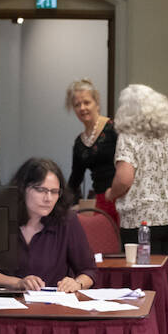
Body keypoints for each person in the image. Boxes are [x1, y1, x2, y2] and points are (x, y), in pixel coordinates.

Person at [106, 82, 168, 334]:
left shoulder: (129, 140)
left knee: (144, 284)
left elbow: (124, 178)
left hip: (141, 224)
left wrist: (111, 193)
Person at [0, 158, 97, 294]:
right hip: (3, 301)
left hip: (52, 303)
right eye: (41, 190)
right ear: (22, 188)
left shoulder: (67, 221)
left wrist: (77, 283)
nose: (48, 198)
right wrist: (18, 283)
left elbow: (88, 270)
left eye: (54, 191)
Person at [66, 78, 118, 227]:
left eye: (87, 102)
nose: (82, 108)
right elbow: (75, 179)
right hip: (101, 203)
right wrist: (61, 205)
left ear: (96, 103)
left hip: (123, 199)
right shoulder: (79, 143)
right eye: (77, 105)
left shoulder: (114, 129)